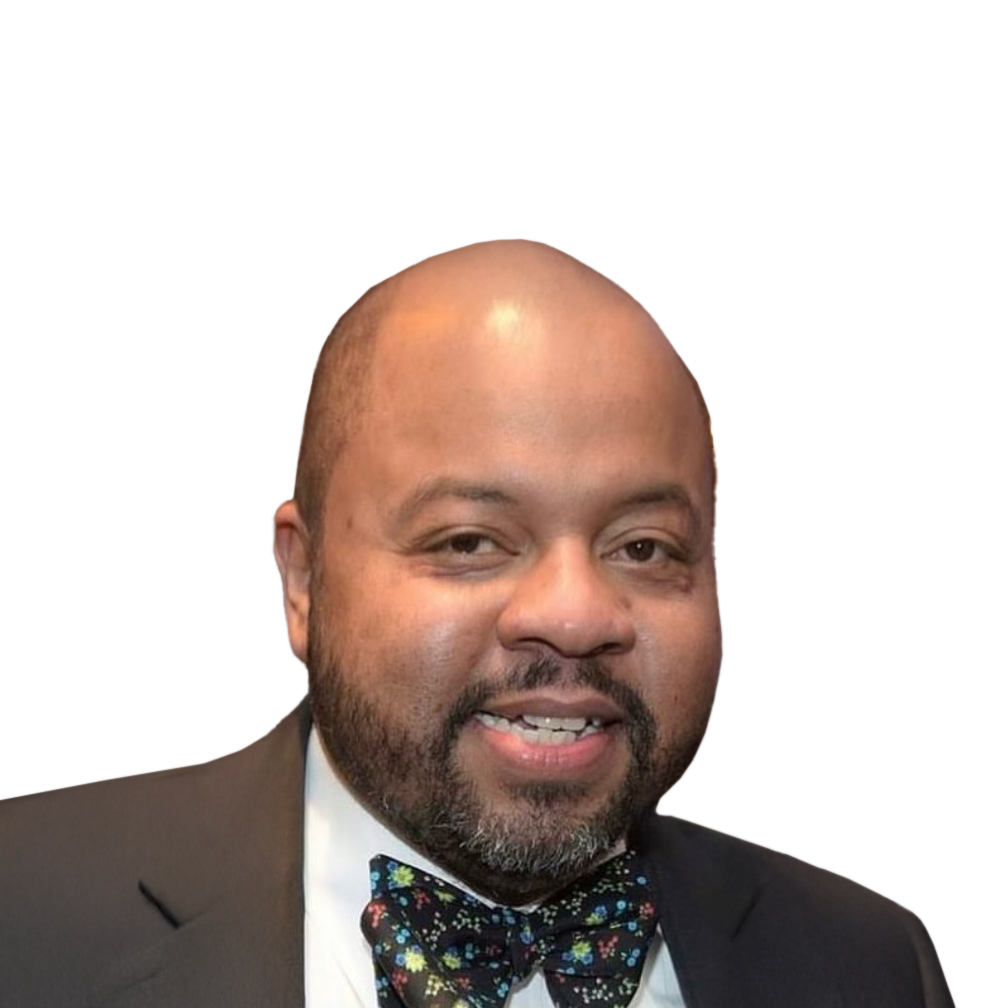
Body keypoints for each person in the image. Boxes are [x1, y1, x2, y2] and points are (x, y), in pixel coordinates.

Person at [0, 241, 953, 1007]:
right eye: (469, 541)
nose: (576, 615)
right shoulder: (24, 918)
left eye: (645, 547)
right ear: (304, 580)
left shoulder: (865, 967)